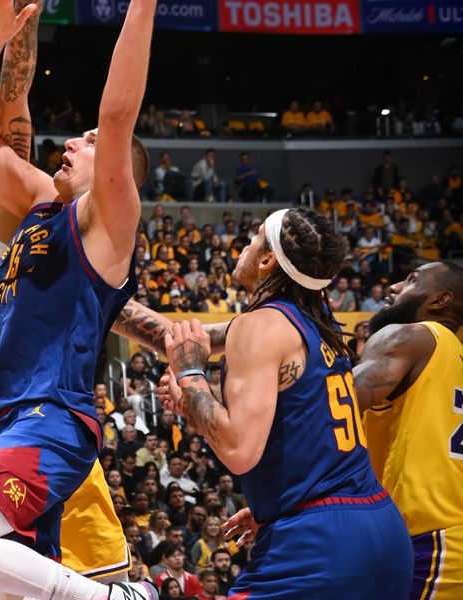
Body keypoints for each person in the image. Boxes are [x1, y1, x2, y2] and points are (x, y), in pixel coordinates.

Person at [0, 2, 157, 600]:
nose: (75, 139)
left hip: (49, 417)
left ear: (116, 171)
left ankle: (117, 598)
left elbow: (118, 110)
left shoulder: (107, 222)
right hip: (4, 419)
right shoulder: (40, 203)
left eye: (92, 142)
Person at [157, 207, 413, 597]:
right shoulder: (315, 319)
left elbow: (240, 450)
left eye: (256, 235)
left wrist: (191, 375)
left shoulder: (258, 325)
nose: (245, 241)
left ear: (267, 259)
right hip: (378, 527)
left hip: (319, 544)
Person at [352, 261, 463, 599]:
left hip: (430, 534)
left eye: (411, 280)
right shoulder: (452, 358)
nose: (394, 287)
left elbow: (331, 409)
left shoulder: (413, 335)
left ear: (440, 300)